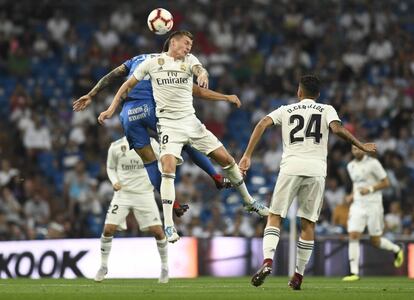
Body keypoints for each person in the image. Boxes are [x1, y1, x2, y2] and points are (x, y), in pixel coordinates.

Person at [98, 30, 269, 243]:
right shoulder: (153, 63)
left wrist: (207, 79)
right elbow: (126, 86)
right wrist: (110, 109)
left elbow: (199, 72)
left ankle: (249, 201)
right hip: (169, 126)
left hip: (192, 123)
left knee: (227, 160)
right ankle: (169, 226)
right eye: (186, 43)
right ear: (174, 41)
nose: (189, 47)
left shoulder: (189, 60)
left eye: (191, 45)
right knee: (168, 168)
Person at [239, 75, 376, 290]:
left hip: (290, 167)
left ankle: (267, 261)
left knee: (275, 217)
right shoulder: (326, 109)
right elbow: (338, 129)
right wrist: (361, 144)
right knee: (308, 224)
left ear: (298, 92)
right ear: (318, 95)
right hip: (316, 170)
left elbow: (263, 123)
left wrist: (247, 155)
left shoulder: (286, 110)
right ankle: (298, 276)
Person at [73, 54, 234, 196]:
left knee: (149, 161)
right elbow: (194, 88)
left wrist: (91, 94)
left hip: (128, 114)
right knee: (185, 142)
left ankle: (174, 205)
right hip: (152, 108)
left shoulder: (135, 60)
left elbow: (111, 76)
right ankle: (217, 177)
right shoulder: (167, 62)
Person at [95, 136, 175, 283]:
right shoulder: (116, 146)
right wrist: (115, 181)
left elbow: (163, 160)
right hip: (123, 194)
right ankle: (103, 266)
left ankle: (164, 268)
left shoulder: (151, 143)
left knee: (158, 231)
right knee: (108, 229)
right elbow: (110, 168)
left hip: (145, 193)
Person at [342, 145, 404, 281]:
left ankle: (396, 249)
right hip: (357, 205)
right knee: (353, 235)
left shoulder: (373, 164)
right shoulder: (350, 166)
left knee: (375, 241)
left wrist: (370, 189)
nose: (356, 151)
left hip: (373, 205)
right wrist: (351, 195)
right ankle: (354, 273)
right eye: (353, 149)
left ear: (364, 149)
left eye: (358, 148)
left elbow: (386, 183)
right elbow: (356, 185)